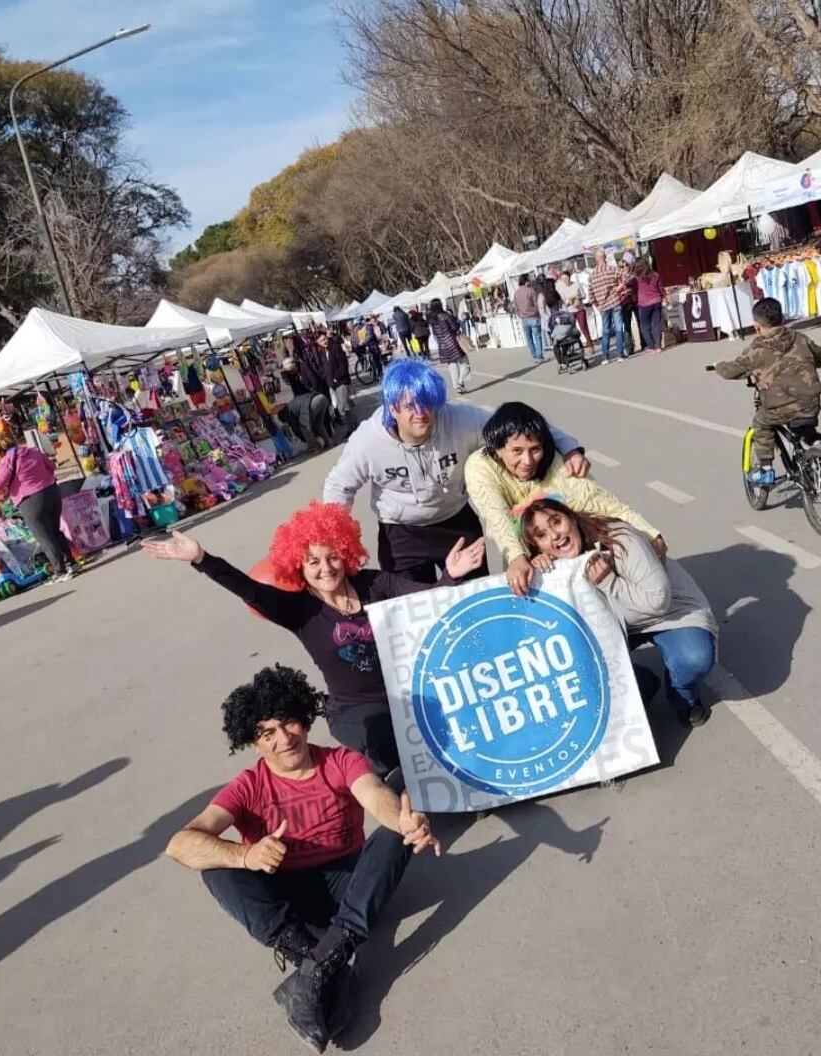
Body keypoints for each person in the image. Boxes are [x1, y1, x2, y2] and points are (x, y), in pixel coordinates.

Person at [165, 664, 440, 1051]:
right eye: (267, 733)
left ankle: (324, 961)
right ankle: (317, 961)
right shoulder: (248, 785)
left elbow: (374, 794)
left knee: (395, 838)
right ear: (253, 742)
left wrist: (403, 820)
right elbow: (179, 843)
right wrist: (246, 854)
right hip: (287, 897)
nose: (283, 739)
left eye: (289, 723)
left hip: (349, 885)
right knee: (215, 866)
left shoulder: (340, 762)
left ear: (305, 720)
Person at [141, 505, 485, 774]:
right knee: (384, 739)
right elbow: (250, 590)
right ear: (299, 567)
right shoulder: (299, 610)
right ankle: (391, 788)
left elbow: (425, 604)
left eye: (333, 556)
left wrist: (450, 577)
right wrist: (201, 559)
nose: (326, 568)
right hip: (354, 709)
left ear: (345, 553)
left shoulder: (374, 584)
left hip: (406, 692)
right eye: (313, 561)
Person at [323, 359, 588, 583]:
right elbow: (339, 486)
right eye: (410, 407)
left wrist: (570, 448)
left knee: (475, 601)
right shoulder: (368, 440)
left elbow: (519, 427)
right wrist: (334, 540)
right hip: (401, 533)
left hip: (455, 521)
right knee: (417, 609)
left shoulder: (461, 419)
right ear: (393, 409)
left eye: (428, 404)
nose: (421, 414)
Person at [517, 497, 716, 726]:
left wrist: (608, 581)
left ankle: (683, 696)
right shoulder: (552, 566)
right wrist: (541, 574)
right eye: (541, 535)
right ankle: (642, 681)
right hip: (618, 626)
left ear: (571, 517)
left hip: (671, 614)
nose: (555, 536)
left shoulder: (617, 536)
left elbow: (657, 601)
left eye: (556, 522)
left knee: (695, 657)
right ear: (537, 546)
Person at [464, 401, 663, 595]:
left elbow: (594, 499)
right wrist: (518, 557)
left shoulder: (553, 461)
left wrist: (648, 531)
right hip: (523, 547)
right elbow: (498, 518)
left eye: (535, 449)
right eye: (517, 451)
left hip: (575, 548)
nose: (528, 461)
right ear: (497, 450)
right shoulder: (479, 467)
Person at [712, 297, 821, 486]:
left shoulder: (756, 349)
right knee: (805, 424)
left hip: (778, 408)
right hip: (811, 402)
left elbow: (731, 370)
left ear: (756, 326)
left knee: (761, 423)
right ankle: (819, 449)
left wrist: (718, 366)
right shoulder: (800, 338)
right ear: (782, 318)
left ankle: (766, 470)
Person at [0, 435, 78, 582]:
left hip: (30, 500)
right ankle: (71, 563)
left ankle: (60, 570)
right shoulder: (34, 451)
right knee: (56, 531)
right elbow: (52, 466)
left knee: (45, 537)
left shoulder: (7, 461)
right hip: (51, 492)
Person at [281, 356, 334, 452]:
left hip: (313, 397)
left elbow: (314, 382)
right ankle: (329, 442)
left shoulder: (303, 366)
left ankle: (314, 447)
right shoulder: (291, 375)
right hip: (319, 398)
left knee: (304, 426)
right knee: (318, 423)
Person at [588, 248, 627, 364]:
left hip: (603, 306)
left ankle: (605, 357)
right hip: (615, 302)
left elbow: (590, 295)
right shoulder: (611, 269)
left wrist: (597, 305)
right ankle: (620, 355)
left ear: (596, 260)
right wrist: (620, 286)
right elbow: (627, 274)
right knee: (619, 328)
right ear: (605, 257)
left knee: (605, 330)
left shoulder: (592, 275)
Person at [428, 298, 471, 395]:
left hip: (443, 346)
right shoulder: (446, 316)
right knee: (465, 364)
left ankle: (457, 387)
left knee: (452, 367)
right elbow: (455, 327)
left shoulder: (432, 320)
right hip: (453, 343)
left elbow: (435, 333)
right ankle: (460, 383)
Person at [319, 329, 353, 430]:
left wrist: (335, 378)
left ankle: (353, 427)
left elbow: (343, 365)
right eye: (321, 341)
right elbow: (326, 368)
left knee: (344, 406)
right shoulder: (323, 352)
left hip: (340, 381)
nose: (324, 342)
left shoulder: (335, 348)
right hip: (332, 384)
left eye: (324, 339)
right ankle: (351, 427)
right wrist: (327, 379)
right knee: (339, 406)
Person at [633, 258, 666, 355]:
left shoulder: (637, 278)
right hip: (656, 301)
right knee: (656, 324)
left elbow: (633, 289)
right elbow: (660, 288)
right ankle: (658, 346)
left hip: (644, 303)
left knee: (644, 326)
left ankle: (651, 346)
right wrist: (664, 296)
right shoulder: (655, 275)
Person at [513, 274, 544, 363]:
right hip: (533, 316)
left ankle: (534, 355)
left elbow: (516, 307)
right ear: (526, 280)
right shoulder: (531, 291)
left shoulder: (516, 293)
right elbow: (536, 303)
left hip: (524, 318)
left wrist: (520, 314)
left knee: (529, 338)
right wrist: (537, 312)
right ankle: (539, 356)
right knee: (537, 337)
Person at [617, 258, 638, 354]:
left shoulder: (634, 274)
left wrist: (629, 289)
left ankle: (644, 343)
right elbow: (615, 289)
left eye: (626, 265)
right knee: (627, 326)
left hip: (634, 300)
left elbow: (636, 286)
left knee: (640, 322)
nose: (624, 268)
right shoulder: (618, 277)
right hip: (625, 302)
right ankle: (629, 348)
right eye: (622, 266)